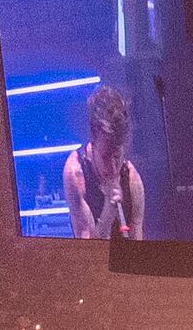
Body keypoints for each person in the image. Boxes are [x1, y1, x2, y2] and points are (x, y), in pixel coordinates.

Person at [56, 80, 146, 241]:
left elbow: (138, 250)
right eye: (105, 156)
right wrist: (108, 211)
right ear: (93, 140)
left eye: (117, 156)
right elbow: (88, 251)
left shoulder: (132, 180)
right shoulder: (76, 173)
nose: (113, 168)